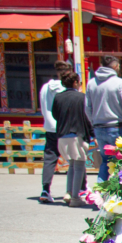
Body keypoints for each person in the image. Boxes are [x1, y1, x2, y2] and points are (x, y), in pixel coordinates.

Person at [84, 55, 122, 182]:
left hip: (99, 127)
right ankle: (119, 194)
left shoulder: (91, 83)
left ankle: (100, 193)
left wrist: (93, 122)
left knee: (105, 161)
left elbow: (87, 107)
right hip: (117, 126)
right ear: (116, 66)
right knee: (121, 161)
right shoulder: (120, 83)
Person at [51, 70, 92, 206]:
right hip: (77, 134)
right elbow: (87, 117)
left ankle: (69, 192)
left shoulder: (58, 97)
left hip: (62, 135)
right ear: (75, 82)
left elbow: (55, 115)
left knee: (72, 165)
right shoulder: (81, 97)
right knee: (79, 165)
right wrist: (92, 133)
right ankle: (75, 197)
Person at [38, 60, 72, 203]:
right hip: (65, 126)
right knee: (74, 159)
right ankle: (73, 190)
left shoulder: (45, 87)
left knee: (50, 159)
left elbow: (42, 105)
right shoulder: (66, 89)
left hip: (50, 126)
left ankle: (45, 189)